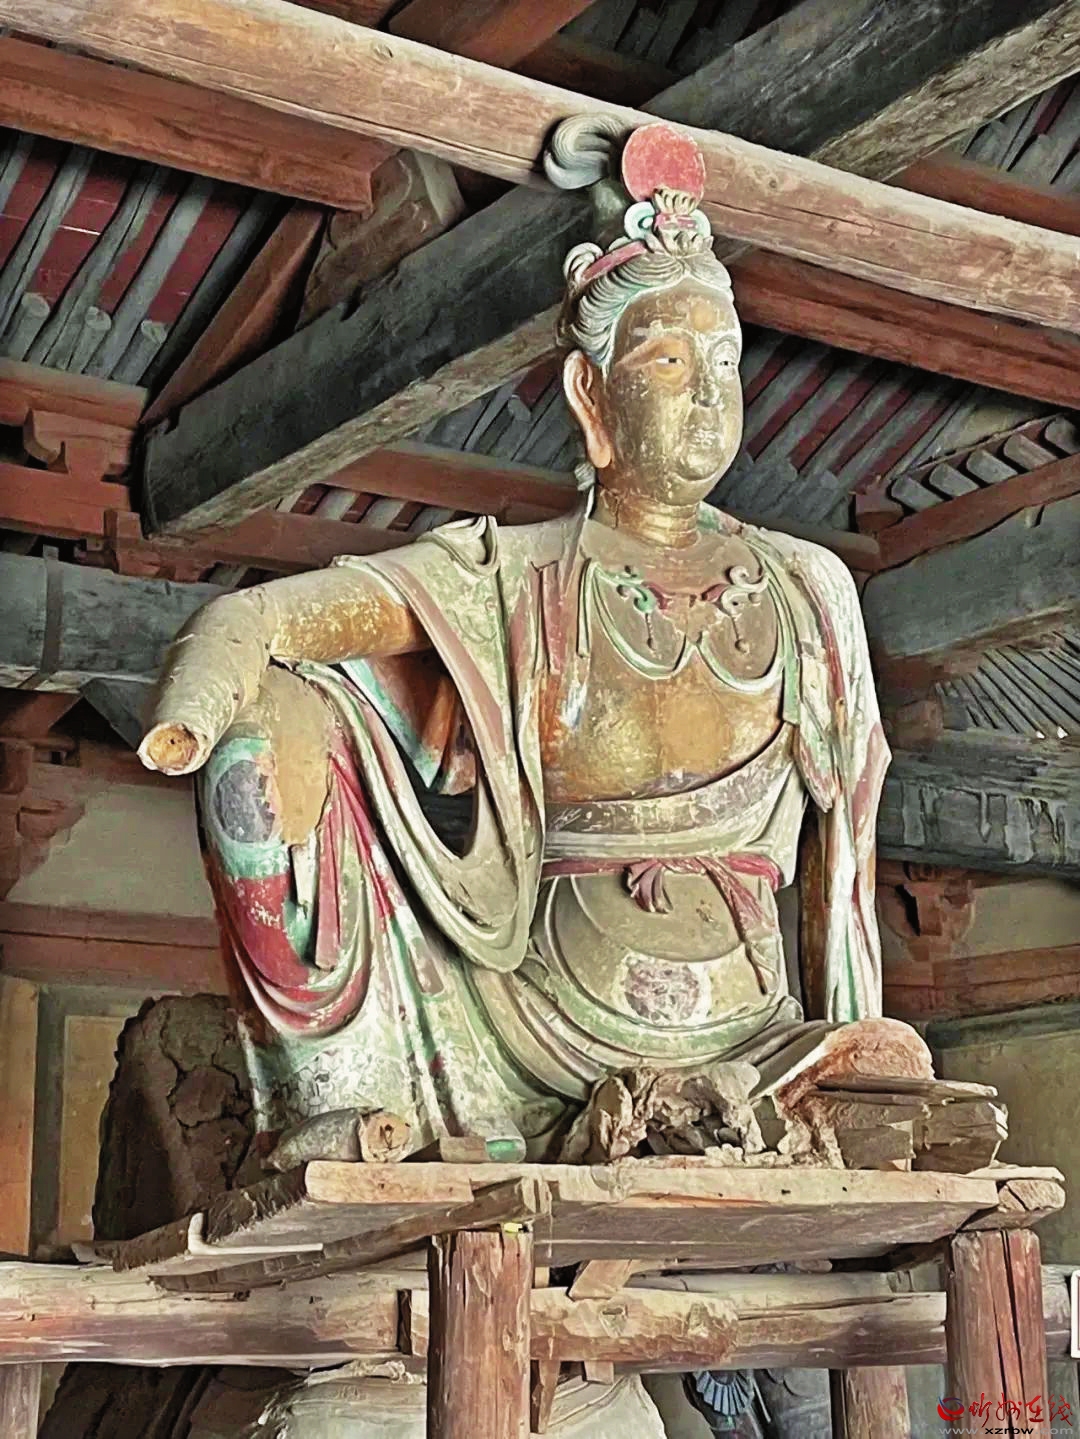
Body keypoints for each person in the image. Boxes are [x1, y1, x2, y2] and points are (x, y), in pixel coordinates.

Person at [139, 121, 929, 1159]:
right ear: (590, 396)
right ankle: (334, 1095)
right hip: (522, 1029)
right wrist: (207, 703)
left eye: (725, 362)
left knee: (891, 1063)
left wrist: (859, 1069)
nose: (707, 391)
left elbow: (845, 869)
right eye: (668, 359)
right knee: (267, 729)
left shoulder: (807, 587)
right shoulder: (514, 573)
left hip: (758, 1038)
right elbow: (262, 619)